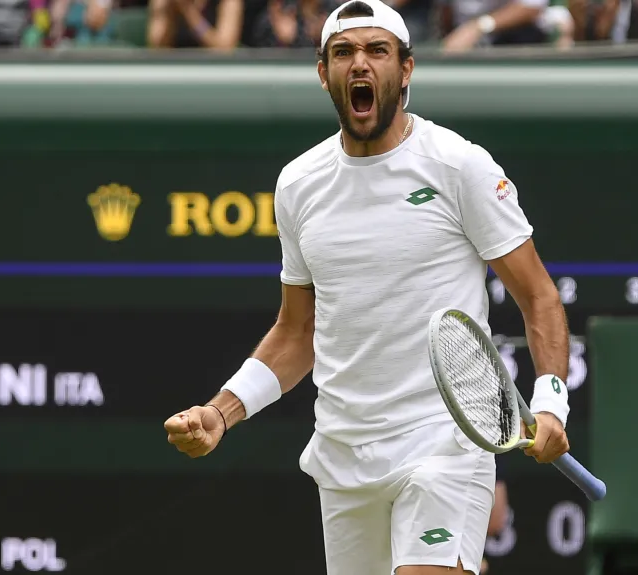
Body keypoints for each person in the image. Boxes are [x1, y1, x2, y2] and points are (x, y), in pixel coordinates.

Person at [162, 1, 571, 574]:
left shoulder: (459, 166)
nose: (360, 64)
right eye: (344, 52)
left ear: (405, 70)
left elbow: (539, 297)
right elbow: (297, 331)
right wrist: (222, 412)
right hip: (343, 458)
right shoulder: (299, 185)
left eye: (376, 51)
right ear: (323, 71)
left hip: (444, 449)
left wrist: (552, 403)